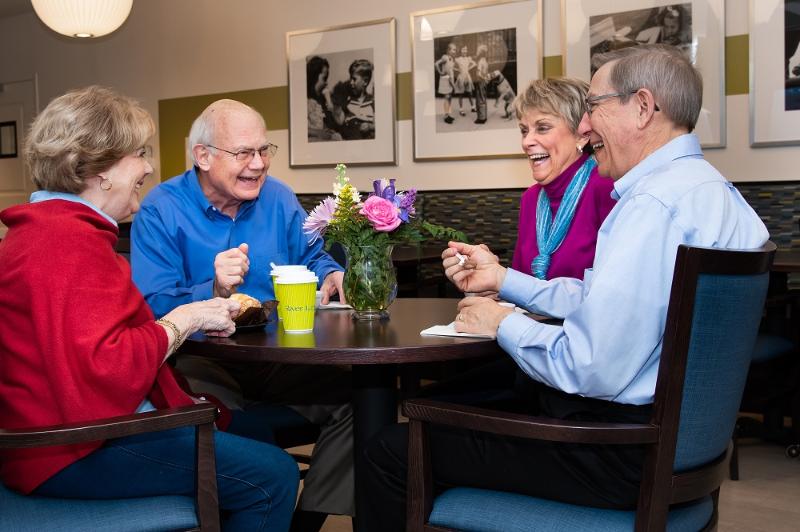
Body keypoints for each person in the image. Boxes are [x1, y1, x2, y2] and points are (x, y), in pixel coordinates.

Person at [361, 44, 769, 531]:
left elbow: (589, 366)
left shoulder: (651, 207)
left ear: (642, 107)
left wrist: (504, 322)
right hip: (681, 447)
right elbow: (602, 302)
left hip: (618, 454)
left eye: (593, 106)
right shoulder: (717, 196)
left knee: (392, 451)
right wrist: (508, 283)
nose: (585, 126)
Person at [0, 86, 298, 532]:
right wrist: (185, 318)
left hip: (68, 432)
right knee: (273, 476)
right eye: (139, 153)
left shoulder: (48, 231)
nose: (149, 166)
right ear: (99, 170)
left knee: (253, 435)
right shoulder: (66, 244)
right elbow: (112, 369)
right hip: (68, 450)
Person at [131, 98, 354, 529]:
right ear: (203, 156)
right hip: (204, 360)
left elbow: (313, 256)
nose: (258, 164)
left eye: (264, 150)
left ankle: (304, 521)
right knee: (223, 422)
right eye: (243, 153)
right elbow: (149, 306)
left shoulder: (279, 198)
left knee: (361, 403)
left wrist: (331, 273)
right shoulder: (161, 208)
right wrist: (209, 291)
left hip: (283, 357)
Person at [511, 77, 616, 280]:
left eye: (542, 128)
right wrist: (491, 280)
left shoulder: (605, 188)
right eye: (524, 131)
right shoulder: (530, 198)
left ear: (582, 135)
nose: (526, 142)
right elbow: (519, 282)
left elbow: (612, 289)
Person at [306, 55, 342, 142]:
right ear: (313, 77)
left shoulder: (320, 101)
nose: (326, 83)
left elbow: (320, 123)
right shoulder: (305, 101)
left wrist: (327, 130)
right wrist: (319, 133)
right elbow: (299, 128)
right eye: (324, 78)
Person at [435, 42, 457, 124]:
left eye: (455, 50)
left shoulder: (451, 59)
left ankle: (448, 114)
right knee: (447, 97)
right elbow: (436, 64)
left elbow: (450, 68)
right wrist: (440, 72)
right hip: (445, 80)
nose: (455, 51)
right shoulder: (445, 57)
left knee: (450, 97)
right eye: (453, 49)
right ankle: (446, 116)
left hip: (450, 80)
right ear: (448, 50)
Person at [454, 44, 476, 117]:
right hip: (461, 77)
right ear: (460, 51)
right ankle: (461, 109)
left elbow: (474, 64)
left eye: (466, 50)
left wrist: (468, 69)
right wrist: (458, 70)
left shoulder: (468, 58)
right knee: (461, 94)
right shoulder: (458, 59)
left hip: (467, 77)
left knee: (470, 93)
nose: (465, 51)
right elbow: (452, 66)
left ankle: (473, 107)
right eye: (463, 50)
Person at [473, 44, 490, 124]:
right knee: (483, 99)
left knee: (479, 99)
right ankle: (484, 116)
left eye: (478, 51)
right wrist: (486, 79)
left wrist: (483, 78)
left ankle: (481, 118)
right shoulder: (485, 61)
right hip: (484, 82)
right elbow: (486, 72)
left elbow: (478, 74)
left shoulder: (480, 62)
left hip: (480, 81)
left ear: (480, 53)